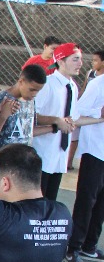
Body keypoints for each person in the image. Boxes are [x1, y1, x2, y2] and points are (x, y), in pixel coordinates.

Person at [0, 64, 46, 199]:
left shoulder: (31, 101)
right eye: (32, 89)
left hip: (23, 168)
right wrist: (3, 116)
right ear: (21, 81)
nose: (34, 94)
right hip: (2, 167)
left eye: (38, 91)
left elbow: (28, 131)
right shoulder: (1, 99)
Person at [31, 43, 81, 204]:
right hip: (43, 153)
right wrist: (56, 121)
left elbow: (71, 118)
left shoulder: (72, 86)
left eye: (80, 59)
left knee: (50, 202)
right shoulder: (48, 84)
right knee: (36, 202)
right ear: (60, 61)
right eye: (75, 59)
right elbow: (32, 115)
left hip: (59, 155)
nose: (80, 63)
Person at [67, 66, 104, 262]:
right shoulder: (98, 85)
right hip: (95, 150)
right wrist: (99, 112)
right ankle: (73, 248)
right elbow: (77, 113)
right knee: (87, 200)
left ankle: (89, 245)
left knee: (101, 203)